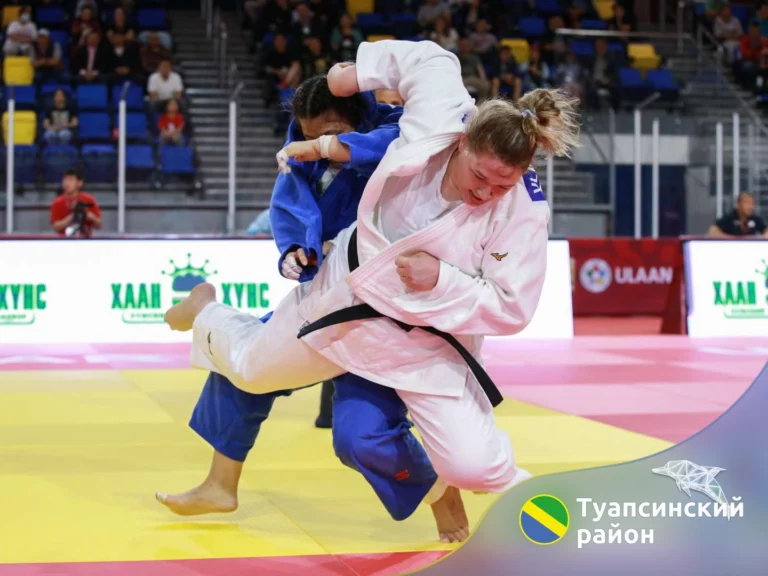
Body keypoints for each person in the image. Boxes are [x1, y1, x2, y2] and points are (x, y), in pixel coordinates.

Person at [163, 40, 580, 538]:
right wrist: (351, 75)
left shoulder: (523, 210)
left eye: (502, 185)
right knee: (250, 372)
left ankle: (543, 520)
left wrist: (442, 278)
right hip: (343, 297)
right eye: (480, 176)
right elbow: (430, 58)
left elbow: (513, 307)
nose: (486, 193)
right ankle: (207, 310)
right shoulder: (440, 117)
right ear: (465, 140)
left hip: (423, 339)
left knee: (461, 463)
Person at [156, 74, 467, 543]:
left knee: (359, 436)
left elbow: (398, 147)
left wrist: (326, 146)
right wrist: (293, 250)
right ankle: (220, 484)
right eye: (308, 133)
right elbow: (289, 207)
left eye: (330, 132)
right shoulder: (298, 154)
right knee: (239, 367)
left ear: (360, 115)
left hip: (384, 313)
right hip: (324, 296)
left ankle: (444, 498)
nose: (317, 143)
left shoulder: (400, 133)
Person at [50, 169, 102, 238]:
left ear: (80, 183)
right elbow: (55, 227)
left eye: (71, 180)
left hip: (86, 240)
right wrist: (73, 216)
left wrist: (89, 216)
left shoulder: (88, 199)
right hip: (64, 241)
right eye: (65, 180)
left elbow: (99, 225)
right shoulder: (57, 202)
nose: (67, 183)